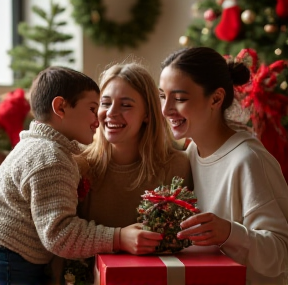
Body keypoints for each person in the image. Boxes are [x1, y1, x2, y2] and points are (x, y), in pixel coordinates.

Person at [159, 47, 288, 285]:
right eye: (162, 96)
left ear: (216, 99)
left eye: (179, 99)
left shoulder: (248, 160)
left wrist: (230, 232)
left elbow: (281, 254)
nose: (166, 110)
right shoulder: (191, 153)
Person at [0, 66, 124, 285]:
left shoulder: (33, 146)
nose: (98, 119)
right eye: (93, 108)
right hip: (13, 264)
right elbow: (60, 235)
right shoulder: (49, 157)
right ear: (61, 107)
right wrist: (119, 238)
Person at [79, 62, 192, 255]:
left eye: (125, 105)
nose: (111, 113)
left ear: (147, 114)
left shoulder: (177, 165)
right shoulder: (79, 165)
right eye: (105, 103)